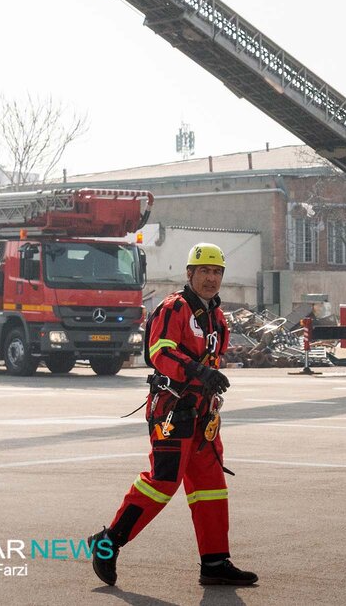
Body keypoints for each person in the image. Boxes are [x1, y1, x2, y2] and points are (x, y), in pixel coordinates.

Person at [87, 243, 257, 587]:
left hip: (201, 418)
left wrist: (209, 382)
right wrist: (198, 371)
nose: (211, 278)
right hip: (172, 413)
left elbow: (213, 359)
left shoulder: (217, 317)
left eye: (217, 272)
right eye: (204, 271)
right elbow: (159, 352)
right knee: (163, 483)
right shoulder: (172, 308)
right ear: (189, 274)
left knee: (211, 488)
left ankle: (215, 562)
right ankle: (108, 542)